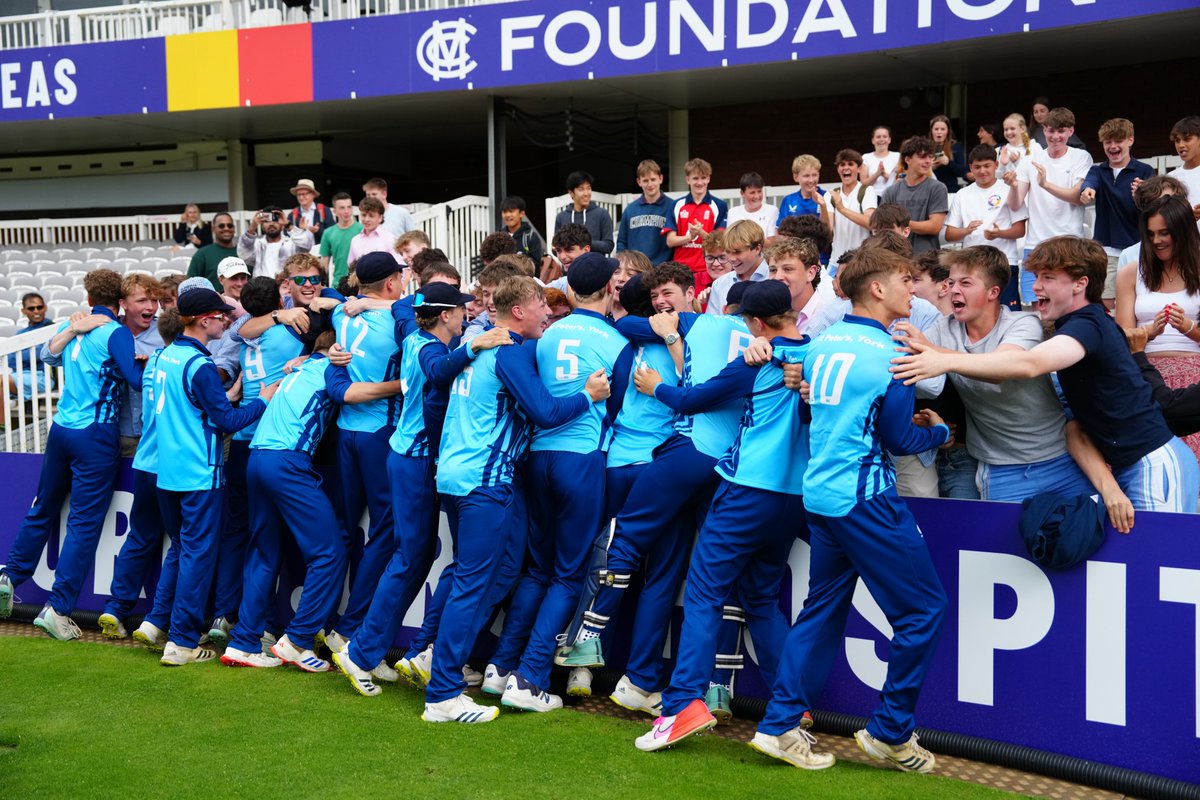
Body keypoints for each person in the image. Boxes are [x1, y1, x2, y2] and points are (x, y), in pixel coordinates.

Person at [750, 246, 950, 774]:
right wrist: (942, 431)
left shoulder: (822, 341)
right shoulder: (894, 354)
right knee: (924, 609)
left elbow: (804, 398)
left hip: (820, 493)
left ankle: (779, 726)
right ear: (877, 289)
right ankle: (889, 732)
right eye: (906, 280)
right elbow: (901, 437)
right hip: (865, 496)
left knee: (820, 611)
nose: (914, 289)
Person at [558, 262, 753, 714]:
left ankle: (599, 662)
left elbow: (686, 390)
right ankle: (637, 674)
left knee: (624, 554)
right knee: (664, 574)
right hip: (671, 464)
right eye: (656, 295)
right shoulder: (666, 335)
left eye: (669, 293)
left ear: (694, 293)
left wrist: (667, 341)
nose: (663, 303)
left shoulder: (680, 335)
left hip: (651, 462)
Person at [893, 236, 1200, 515]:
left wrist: (938, 356)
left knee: (1151, 564)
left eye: (1048, 277)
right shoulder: (1070, 327)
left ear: (1080, 284)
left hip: (1151, 462)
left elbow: (1025, 365)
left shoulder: (1086, 325)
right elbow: (1075, 425)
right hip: (1121, 465)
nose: (1035, 285)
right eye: (1036, 276)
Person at [631, 280, 810, 752]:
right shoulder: (815, 352)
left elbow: (693, 400)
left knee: (706, 592)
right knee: (761, 600)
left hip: (746, 490)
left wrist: (656, 386)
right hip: (792, 499)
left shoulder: (755, 359)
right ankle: (792, 706)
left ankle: (684, 703)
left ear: (754, 321)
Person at [425, 276, 608, 723]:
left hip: (455, 475)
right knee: (473, 586)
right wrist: (588, 395)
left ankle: (441, 677)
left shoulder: (477, 347)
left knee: (478, 581)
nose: (548, 313)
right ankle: (442, 695)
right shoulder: (504, 351)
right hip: (484, 482)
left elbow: (435, 387)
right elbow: (546, 412)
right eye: (541, 306)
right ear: (520, 311)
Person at [332, 285, 512, 694]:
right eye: (462, 310)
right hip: (414, 460)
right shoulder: (426, 345)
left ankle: (369, 649)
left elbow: (399, 304)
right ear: (445, 315)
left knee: (411, 558)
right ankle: (360, 653)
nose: (468, 316)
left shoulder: (412, 330)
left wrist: (361, 300)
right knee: (409, 558)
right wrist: (473, 347)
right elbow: (436, 370)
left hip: (411, 458)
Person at [221, 328, 402, 672]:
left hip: (258, 456)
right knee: (330, 552)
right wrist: (402, 384)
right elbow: (349, 394)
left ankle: (244, 642)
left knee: (263, 551)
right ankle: (299, 640)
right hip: (287, 461)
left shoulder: (301, 368)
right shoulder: (333, 368)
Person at [497, 254, 632, 713]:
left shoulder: (547, 332)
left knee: (538, 570)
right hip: (580, 458)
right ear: (612, 289)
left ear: (571, 291)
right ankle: (531, 676)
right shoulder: (616, 340)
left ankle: (502, 666)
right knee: (568, 574)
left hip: (537, 457)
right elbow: (621, 408)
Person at [902, 247, 1111, 514]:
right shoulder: (941, 330)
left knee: (1091, 540)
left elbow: (1001, 370)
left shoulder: (1023, 323)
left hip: (1060, 458)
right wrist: (920, 419)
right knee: (1005, 554)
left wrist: (937, 356)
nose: (954, 290)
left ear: (993, 292)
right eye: (952, 282)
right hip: (1000, 469)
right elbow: (909, 372)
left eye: (966, 283)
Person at [0, 270, 143, 637]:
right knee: (83, 523)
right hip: (95, 434)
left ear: (87, 292)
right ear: (121, 300)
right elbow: (135, 380)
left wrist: (72, 330)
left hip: (61, 429)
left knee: (42, 507)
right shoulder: (116, 332)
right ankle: (59, 608)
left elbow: (48, 356)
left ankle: (9, 577)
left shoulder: (74, 323)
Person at [153, 286, 274, 666]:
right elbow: (227, 421)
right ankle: (183, 642)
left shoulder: (163, 356)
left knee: (186, 553)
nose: (227, 320)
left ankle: (173, 632)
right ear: (204, 320)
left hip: (168, 471)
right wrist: (263, 399)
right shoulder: (200, 366)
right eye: (221, 315)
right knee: (197, 558)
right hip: (200, 473)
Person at [322, 252, 406, 653]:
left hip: (346, 431)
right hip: (380, 432)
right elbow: (421, 310)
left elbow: (333, 301)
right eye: (401, 278)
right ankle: (350, 625)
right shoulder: (397, 318)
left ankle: (319, 620)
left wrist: (362, 301)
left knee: (342, 527)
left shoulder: (343, 315)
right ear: (390, 283)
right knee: (386, 531)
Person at [96, 310, 185, 641]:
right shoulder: (185, 362)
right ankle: (157, 620)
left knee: (140, 536)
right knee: (182, 543)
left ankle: (116, 607)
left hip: (144, 462)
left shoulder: (154, 361)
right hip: (173, 467)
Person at [1115, 194, 1200, 467]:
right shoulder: (1131, 272)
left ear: (1183, 231)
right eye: (1150, 234)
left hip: (1193, 378)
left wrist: (1188, 327)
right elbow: (1122, 337)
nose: (1157, 241)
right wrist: (1150, 331)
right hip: (1145, 371)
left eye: (1165, 233)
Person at [1004, 107, 1093, 304]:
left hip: (1069, 243)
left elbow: (1077, 197)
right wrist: (1012, 186)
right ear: (1044, 130)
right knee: (1039, 310)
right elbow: (1016, 203)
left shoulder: (1081, 157)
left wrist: (1045, 184)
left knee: (1071, 304)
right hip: (1035, 245)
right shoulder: (1030, 160)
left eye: (1061, 131)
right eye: (1051, 131)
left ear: (1070, 131)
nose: (1055, 136)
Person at [1080, 119, 1156, 306]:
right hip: (1106, 250)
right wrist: (1087, 191)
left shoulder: (1145, 171)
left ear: (1130, 140)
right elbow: (1089, 183)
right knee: (1106, 300)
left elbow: (1157, 205)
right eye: (1108, 142)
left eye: (1118, 141)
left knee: (1140, 300)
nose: (1113, 146)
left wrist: (1145, 193)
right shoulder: (1098, 171)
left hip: (1140, 248)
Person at [946, 144, 1027, 309]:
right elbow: (950, 234)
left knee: (1008, 312)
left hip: (1004, 262)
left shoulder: (1008, 189)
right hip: (973, 265)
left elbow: (1020, 230)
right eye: (977, 167)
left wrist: (999, 233)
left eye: (987, 166)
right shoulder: (963, 194)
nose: (982, 171)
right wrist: (966, 230)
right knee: (978, 312)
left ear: (996, 165)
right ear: (970, 168)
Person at [667, 158, 728, 294]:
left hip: (707, 269)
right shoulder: (676, 205)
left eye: (703, 178)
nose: (699, 182)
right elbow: (670, 241)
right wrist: (690, 237)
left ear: (708, 179)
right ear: (687, 179)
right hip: (681, 269)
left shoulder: (719, 205)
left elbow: (720, 242)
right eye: (695, 178)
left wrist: (700, 232)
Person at [882, 136, 949, 256]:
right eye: (922, 157)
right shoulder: (890, 191)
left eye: (930, 156)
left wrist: (900, 224)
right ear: (908, 159)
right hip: (896, 260)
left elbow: (934, 226)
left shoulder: (938, 188)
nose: (928, 161)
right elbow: (883, 227)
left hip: (927, 262)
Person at [827, 149, 878, 270]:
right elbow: (828, 233)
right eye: (842, 164)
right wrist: (823, 207)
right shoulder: (830, 195)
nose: (846, 168)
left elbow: (871, 223)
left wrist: (842, 209)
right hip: (836, 262)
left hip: (861, 261)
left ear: (859, 169)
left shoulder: (867, 191)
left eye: (850, 164)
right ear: (838, 169)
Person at [616, 160, 673, 265]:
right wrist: (625, 264)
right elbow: (621, 242)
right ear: (639, 182)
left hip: (663, 270)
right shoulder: (630, 210)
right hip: (635, 269)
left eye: (653, 179)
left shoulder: (672, 207)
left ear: (661, 179)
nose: (650, 184)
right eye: (645, 180)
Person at [706, 221, 767, 317]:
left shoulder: (775, 278)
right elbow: (714, 324)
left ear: (757, 249)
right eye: (728, 252)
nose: (732, 258)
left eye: (737, 252)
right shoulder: (719, 284)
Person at [238, 205, 315, 280]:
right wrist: (253, 226)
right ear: (261, 225)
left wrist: (288, 224)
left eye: (275, 220)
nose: (271, 224)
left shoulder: (292, 244)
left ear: (282, 225)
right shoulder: (257, 244)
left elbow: (307, 244)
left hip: (286, 289)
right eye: (267, 220)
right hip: (261, 290)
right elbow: (243, 254)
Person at [5, 292, 53, 403]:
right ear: (24, 311)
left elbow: (41, 354)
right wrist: (27, 356)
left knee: (2, 381)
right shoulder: (20, 333)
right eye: (31, 308)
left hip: (43, 377)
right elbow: (10, 360)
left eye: (39, 307)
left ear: (45, 308)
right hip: (20, 375)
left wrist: (21, 355)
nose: (36, 311)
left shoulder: (51, 328)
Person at [553, 171, 614, 255]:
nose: (586, 193)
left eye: (588, 188)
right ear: (571, 193)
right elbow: (555, 248)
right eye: (581, 189)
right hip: (571, 267)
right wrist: (568, 246)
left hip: (596, 266)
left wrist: (583, 244)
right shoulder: (561, 217)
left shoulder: (602, 214)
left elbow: (608, 246)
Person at [319, 192, 362, 288]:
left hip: (360, 283)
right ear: (334, 211)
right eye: (342, 208)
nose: (346, 211)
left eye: (349, 207)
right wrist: (321, 284)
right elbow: (324, 261)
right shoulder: (328, 233)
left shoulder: (362, 229)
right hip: (338, 283)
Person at [187, 211, 238, 291]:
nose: (226, 228)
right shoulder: (202, 254)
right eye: (221, 226)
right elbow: (190, 285)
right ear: (213, 229)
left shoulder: (243, 253)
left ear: (234, 228)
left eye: (229, 225)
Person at [348, 197, 404, 269]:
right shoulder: (355, 240)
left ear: (380, 217)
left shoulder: (389, 239)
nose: (366, 219)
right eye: (364, 215)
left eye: (371, 216)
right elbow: (351, 268)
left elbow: (399, 266)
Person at [776, 154, 827, 227]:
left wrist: (823, 206)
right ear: (795, 177)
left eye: (814, 175)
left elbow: (829, 230)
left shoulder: (827, 197)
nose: (811, 180)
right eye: (806, 176)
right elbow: (780, 230)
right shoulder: (788, 200)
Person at [1167, 116, 1200, 227]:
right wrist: (1186, 216)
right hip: (1184, 243)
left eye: (1187, 139)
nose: (1181, 145)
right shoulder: (1171, 178)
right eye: (1177, 140)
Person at [726, 172, 779, 239]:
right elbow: (729, 241)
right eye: (752, 192)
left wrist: (745, 241)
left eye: (759, 191)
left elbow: (772, 242)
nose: (757, 196)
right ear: (742, 193)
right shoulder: (732, 212)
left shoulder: (772, 210)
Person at [498, 195, 547, 268]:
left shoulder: (530, 237)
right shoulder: (498, 237)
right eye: (505, 212)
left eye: (511, 211)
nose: (508, 215)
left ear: (522, 213)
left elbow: (536, 266)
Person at [288, 179, 335, 245]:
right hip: (300, 254)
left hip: (320, 252)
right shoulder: (293, 214)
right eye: (299, 194)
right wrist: (301, 231)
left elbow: (333, 234)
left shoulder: (324, 210)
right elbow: (287, 237)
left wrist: (318, 230)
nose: (301, 197)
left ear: (313, 194)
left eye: (304, 194)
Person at [930, 115, 968, 194]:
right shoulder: (925, 147)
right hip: (929, 191)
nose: (939, 132)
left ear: (948, 131)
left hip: (950, 191)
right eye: (936, 129)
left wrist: (948, 162)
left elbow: (962, 172)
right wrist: (930, 168)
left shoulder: (955, 147)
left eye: (943, 129)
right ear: (931, 131)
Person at [997, 114, 1042, 179]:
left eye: (1012, 128)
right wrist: (1002, 165)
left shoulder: (1034, 147)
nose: (1009, 132)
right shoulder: (1004, 150)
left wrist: (1017, 162)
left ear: (1022, 129)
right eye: (1006, 129)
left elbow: (1038, 174)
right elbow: (998, 177)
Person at [861, 126, 900, 194]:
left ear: (889, 140)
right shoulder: (866, 157)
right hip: (872, 197)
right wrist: (877, 174)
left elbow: (902, 180)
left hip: (893, 196)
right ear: (873, 140)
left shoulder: (897, 156)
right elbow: (863, 184)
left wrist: (886, 175)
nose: (881, 139)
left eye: (884, 136)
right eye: (878, 137)